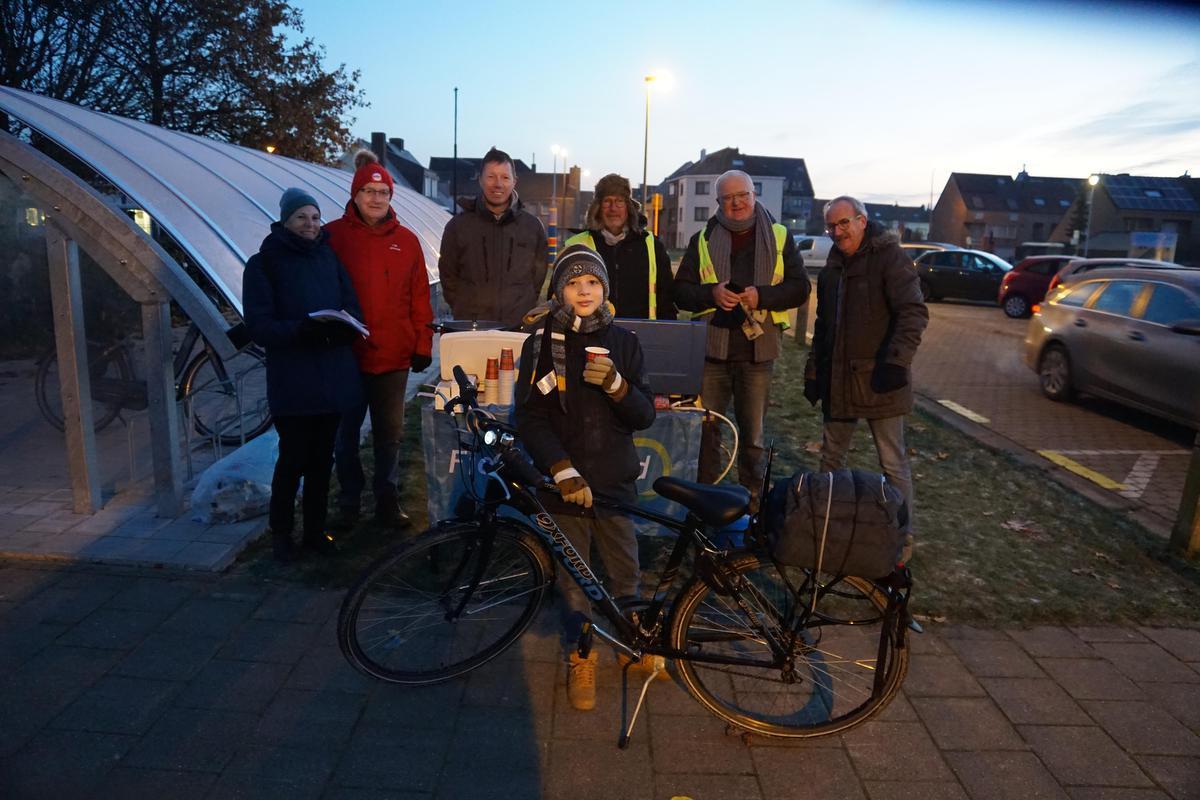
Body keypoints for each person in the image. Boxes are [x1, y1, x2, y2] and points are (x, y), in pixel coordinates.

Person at [514, 244, 656, 712]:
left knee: (624, 570)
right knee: (576, 577)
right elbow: (530, 418)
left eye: (592, 283)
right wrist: (562, 468)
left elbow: (643, 417)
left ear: (604, 289)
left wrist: (616, 385)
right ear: (559, 291)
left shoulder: (625, 342)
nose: (584, 291)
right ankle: (583, 653)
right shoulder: (540, 343)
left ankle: (635, 643)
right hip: (565, 486)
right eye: (574, 283)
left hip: (614, 479)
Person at [674, 170, 810, 505]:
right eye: (727, 198)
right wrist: (711, 293)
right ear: (718, 201)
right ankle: (708, 498)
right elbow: (681, 292)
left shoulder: (778, 236)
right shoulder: (702, 239)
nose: (736, 203)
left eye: (742, 195)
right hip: (712, 352)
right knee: (707, 432)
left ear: (753, 195)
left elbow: (800, 288)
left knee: (753, 437)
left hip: (757, 352)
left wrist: (762, 297)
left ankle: (751, 502)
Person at [243, 188, 365, 561]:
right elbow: (259, 326)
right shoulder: (263, 264)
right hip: (293, 380)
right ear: (285, 221)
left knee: (321, 460)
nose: (310, 225)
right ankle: (281, 533)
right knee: (293, 458)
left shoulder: (328, 257)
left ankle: (314, 530)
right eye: (301, 217)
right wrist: (301, 330)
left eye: (314, 217)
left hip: (330, 377)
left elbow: (351, 304)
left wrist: (343, 326)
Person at [803, 195, 928, 558]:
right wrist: (814, 372)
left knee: (892, 462)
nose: (838, 231)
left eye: (844, 223)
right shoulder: (831, 269)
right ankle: (823, 528)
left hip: (880, 380)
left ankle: (902, 537)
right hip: (840, 381)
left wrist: (896, 362)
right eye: (831, 225)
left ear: (862, 220)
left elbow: (913, 313)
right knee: (830, 459)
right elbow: (823, 327)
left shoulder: (890, 259)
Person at [326, 151, 434, 530]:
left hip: (392, 355)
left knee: (390, 434)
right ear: (355, 195)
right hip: (347, 356)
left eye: (383, 192)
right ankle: (349, 500)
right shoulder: (333, 236)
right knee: (345, 434)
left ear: (391, 197)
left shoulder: (406, 241)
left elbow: (419, 295)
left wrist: (422, 344)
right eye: (368, 191)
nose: (375, 198)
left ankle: (387, 500)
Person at [438, 147, 548, 327]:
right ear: (480, 179)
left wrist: (523, 304)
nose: (498, 184)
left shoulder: (532, 227)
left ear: (514, 181)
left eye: (505, 177)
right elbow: (448, 276)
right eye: (491, 176)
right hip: (472, 328)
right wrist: (464, 306)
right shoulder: (458, 226)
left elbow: (538, 277)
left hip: (518, 327)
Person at [563, 173, 675, 319]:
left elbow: (666, 296)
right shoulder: (577, 245)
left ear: (628, 206)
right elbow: (559, 297)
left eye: (619, 201)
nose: (613, 208)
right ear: (597, 207)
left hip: (642, 333)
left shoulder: (651, 245)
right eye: (607, 201)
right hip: (591, 335)